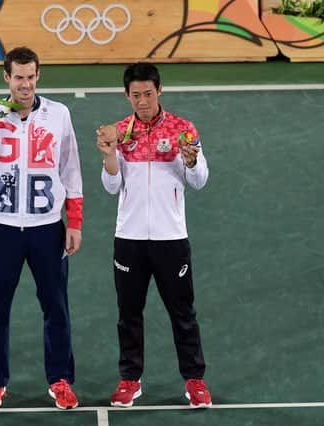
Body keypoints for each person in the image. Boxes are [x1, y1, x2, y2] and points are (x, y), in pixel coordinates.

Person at [0, 47, 83, 410]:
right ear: (6, 78)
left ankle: (60, 380)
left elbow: (71, 169)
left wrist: (74, 222)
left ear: (38, 75)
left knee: (56, 307)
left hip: (48, 228)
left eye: (31, 77)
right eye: (18, 77)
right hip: (4, 228)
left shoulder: (58, 114)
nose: (25, 85)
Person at [96, 62, 212, 408]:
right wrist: (109, 157)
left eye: (148, 94)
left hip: (171, 238)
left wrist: (191, 161)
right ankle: (130, 380)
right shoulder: (118, 132)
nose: (142, 101)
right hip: (129, 239)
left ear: (159, 91)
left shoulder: (182, 129)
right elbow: (111, 186)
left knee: (183, 312)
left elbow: (199, 181)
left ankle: (195, 381)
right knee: (128, 313)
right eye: (136, 95)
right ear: (126, 95)